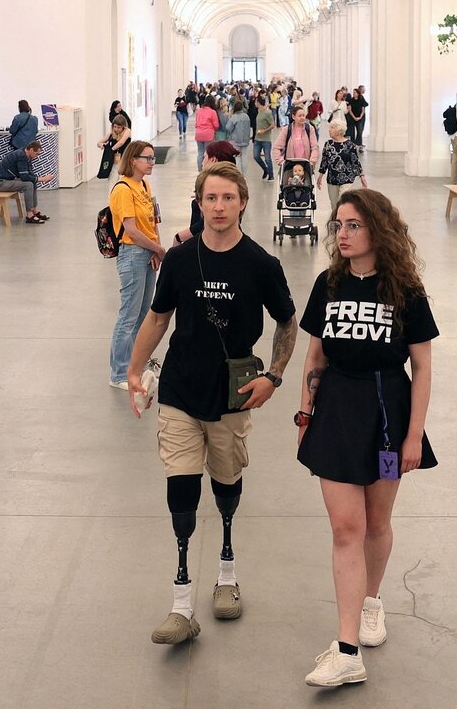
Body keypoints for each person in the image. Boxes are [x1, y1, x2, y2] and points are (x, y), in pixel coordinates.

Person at [127, 160, 297, 646]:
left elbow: (286, 322)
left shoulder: (261, 264)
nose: (219, 207)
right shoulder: (180, 260)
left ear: (243, 202)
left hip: (232, 398)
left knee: (226, 486)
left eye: (228, 198)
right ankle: (181, 604)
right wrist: (134, 372)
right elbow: (158, 318)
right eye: (210, 198)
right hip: (180, 391)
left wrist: (274, 376)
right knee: (180, 491)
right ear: (199, 204)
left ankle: (227, 572)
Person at [296, 188, 437, 688]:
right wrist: (305, 414)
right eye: (338, 225)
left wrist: (413, 435)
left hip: (387, 420)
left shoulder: (405, 290)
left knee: (377, 522)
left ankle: (371, 602)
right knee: (345, 528)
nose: (343, 234)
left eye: (353, 225)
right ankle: (347, 648)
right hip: (336, 413)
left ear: (378, 229)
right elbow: (315, 355)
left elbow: (421, 367)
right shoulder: (328, 284)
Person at [108, 140, 168, 390]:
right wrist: (158, 249)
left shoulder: (144, 184)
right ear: (133, 160)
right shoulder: (122, 189)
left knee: (144, 315)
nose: (152, 162)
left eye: (153, 158)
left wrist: (156, 247)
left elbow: (153, 220)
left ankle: (137, 366)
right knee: (128, 316)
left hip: (148, 252)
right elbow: (131, 230)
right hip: (132, 254)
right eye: (147, 158)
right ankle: (119, 374)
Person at [173, 141, 239, 247]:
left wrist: (179, 237)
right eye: (211, 198)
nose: (202, 162)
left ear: (213, 160)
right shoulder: (233, 181)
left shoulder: (220, 183)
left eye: (204, 157)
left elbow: (207, 221)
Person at [0, 140, 55, 223]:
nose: (37, 156)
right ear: (31, 150)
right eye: (37, 154)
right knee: (28, 185)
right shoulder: (21, 156)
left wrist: (38, 178)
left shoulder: (27, 155)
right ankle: (29, 215)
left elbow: (30, 174)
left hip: (8, 181)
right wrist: (42, 179)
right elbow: (24, 176)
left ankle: (34, 210)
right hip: (0, 183)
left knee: (33, 182)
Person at [317, 118, 368, 205]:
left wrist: (362, 176)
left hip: (347, 179)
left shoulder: (350, 145)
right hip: (332, 179)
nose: (329, 130)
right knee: (334, 205)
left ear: (339, 130)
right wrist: (320, 176)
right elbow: (324, 161)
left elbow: (355, 162)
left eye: (332, 128)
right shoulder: (328, 144)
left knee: (343, 202)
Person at [272, 105, 320, 174]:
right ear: (293, 117)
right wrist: (281, 162)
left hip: (305, 166)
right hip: (290, 167)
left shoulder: (309, 129)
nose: (302, 118)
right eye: (299, 116)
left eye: (303, 115)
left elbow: (315, 147)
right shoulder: (286, 130)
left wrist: (312, 162)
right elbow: (276, 147)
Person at [225, 98, 252, 173]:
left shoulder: (234, 117)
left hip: (236, 140)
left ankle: (237, 173)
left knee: (237, 157)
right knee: (244, 157)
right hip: (245, 140)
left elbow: (228, 127)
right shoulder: (246, 116)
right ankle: (244, 174)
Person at [252, 95, 276, 180]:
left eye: (256, 102)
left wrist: (264, 131)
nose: (255, 103)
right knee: (256, 156)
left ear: (258, 103)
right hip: (257, 139)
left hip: (266, 139)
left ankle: (271, 175)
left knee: (267, 159)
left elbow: (273, 125)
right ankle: (265, 169)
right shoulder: (259, 111)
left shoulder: (267, 113)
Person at [194, 96, 219, 168]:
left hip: (199, 134)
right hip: (209, 135)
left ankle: (200, 169)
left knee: (200, 152)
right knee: (208, 153)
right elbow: (216, 125)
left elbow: (196, 124)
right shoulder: (213, 112)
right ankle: (207, 169)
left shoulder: (199, 111)